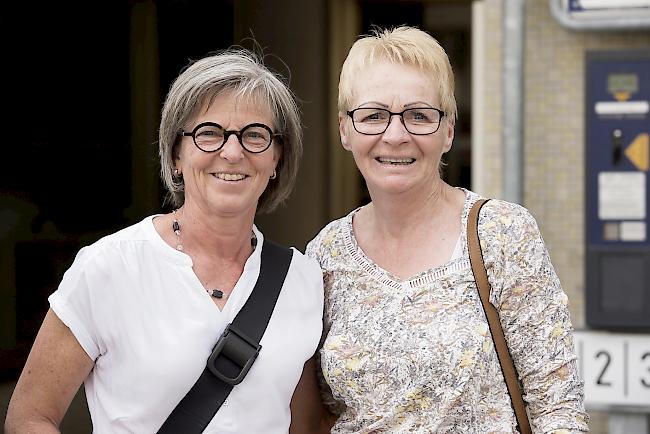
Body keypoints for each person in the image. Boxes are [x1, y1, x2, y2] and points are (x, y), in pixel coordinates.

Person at [5, 49, 327, 434]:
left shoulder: (302, 280)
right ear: (176, 153)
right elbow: (29, 418)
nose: (231, 151)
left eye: (255, 135)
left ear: (277, 159)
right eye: (209, 133)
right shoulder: (110, 267)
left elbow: (305, 426)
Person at [306, 26, 589, 433]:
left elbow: (557, 408)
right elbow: (319, 411)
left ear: (449, 130)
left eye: (419, 115)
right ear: (345, 130)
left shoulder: (502, 234)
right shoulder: (324, 254)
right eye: (373, 116)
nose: (396, 135)